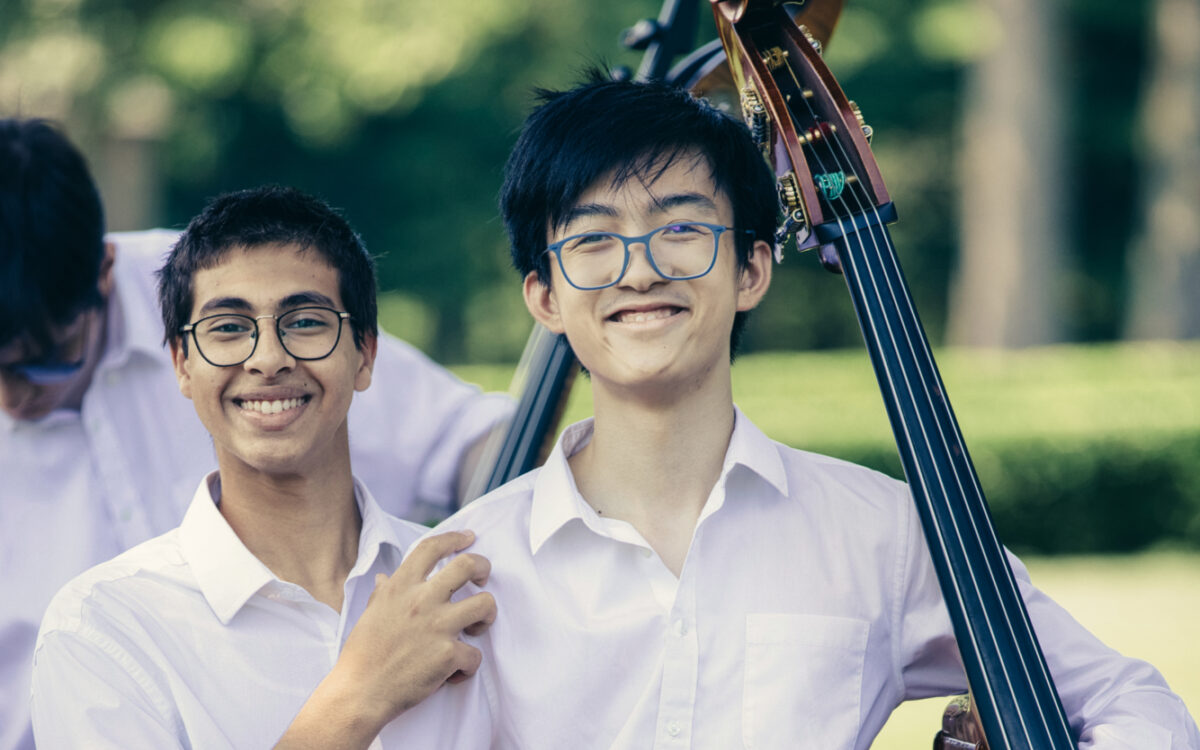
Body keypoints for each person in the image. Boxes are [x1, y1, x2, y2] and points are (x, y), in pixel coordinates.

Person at [389, 75, 1200, 748]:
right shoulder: (467, 570)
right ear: (544, 296)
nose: (640, 270)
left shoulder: (879, 532)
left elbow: (1138, 704)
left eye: (680, 228)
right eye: (594, 240)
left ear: (752, 269)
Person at [0, 119, 507, 750]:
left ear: (365, 354)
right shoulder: (94, 625)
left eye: (43, 359)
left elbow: (475, 435)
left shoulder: (230, 271)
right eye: (230, 330)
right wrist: (358, 696)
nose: (267, 357)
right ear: (180, 363)